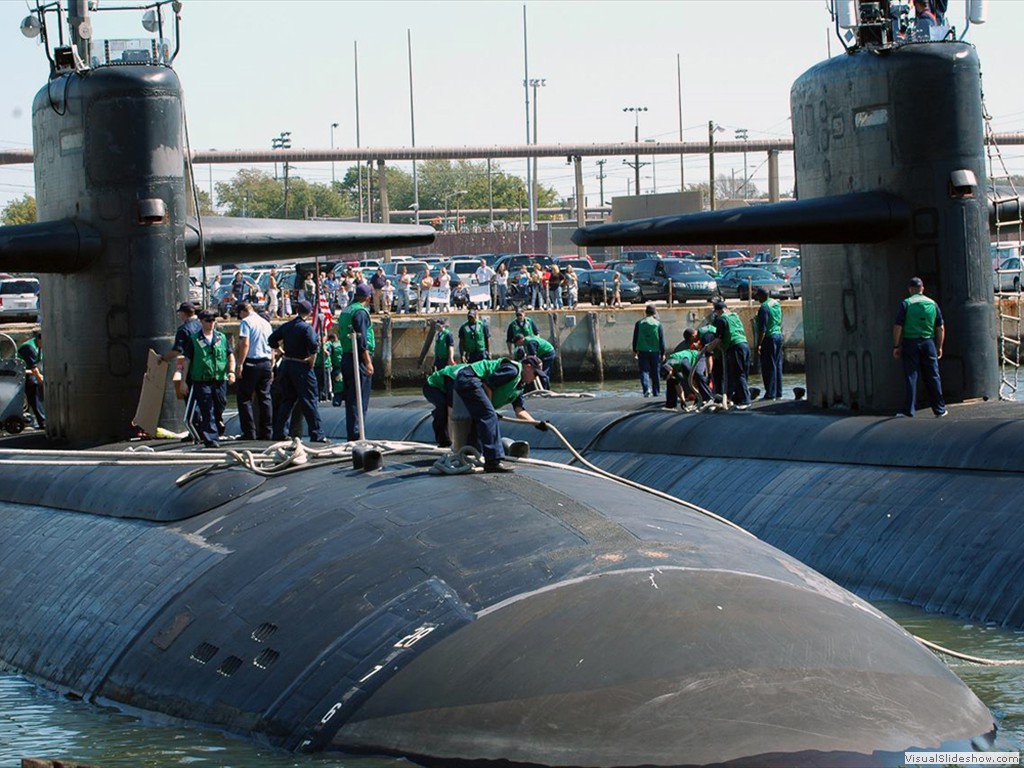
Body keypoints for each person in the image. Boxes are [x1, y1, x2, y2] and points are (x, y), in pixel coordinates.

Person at [453, 355, 543, 473]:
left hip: (475, 381)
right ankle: (492, 461)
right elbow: (488, 384)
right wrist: (489, 408)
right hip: (469, 377)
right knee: (489, 416)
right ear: (527, 367)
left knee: (482, 417)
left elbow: (519, 411)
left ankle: (471, 453)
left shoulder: (519, 386)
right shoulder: (512, 370)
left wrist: (536, 424)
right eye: (535, 374)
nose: (535, 378)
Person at [268, 299, 326, 443]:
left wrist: (282, 351)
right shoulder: (306, 328)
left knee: (287, 400)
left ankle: (280, 432)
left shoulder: (287, 326)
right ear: (310, 312)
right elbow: (313, 345)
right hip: (301, 366)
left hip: (287, 365)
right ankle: (317, 434)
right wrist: (312, 358)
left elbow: (272, 340)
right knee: (309, 400)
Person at [893, 276, 946, 418]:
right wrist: (939, 347)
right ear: (922, 289)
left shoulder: (906, 304)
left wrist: (896, 345)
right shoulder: (932, 304)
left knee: (911, 376)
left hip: (911, 342)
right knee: (933, 376)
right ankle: (940, 410)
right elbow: (940, 328)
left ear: (910, 289)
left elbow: (898, 326)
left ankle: (909, 410)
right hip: (929, 343)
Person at [184, 310, 236, 448]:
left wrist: (231, 372)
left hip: (220, 379)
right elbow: (187, 361)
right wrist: (183, 381)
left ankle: (215, 426)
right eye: (208, 320)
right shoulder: (194, 339)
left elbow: (230, 355)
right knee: (207, 408)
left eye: (213, 320)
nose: (211, 323)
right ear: (201, 321)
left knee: (220, 405)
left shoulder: (222, 338)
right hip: (202, 380)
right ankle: (211, 439)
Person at [336, 283, 375, 441]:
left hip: (346, 356)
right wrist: (368, 362)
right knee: (360, 398)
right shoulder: (360, 312)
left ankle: (352, 433)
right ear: (368, 298)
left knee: (351, 397)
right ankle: (358, 434)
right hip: (358, 358)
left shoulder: (346, 310)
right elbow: (362, 340)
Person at [233, 301, 273, 441]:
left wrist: (239, 364)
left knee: (244, 398)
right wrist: (272, 365)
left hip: (251, 362)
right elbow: (272, 345)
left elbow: (245, 343)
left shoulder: (246, 322)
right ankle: (266, 432)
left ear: (243, 311)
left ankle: (249, 433)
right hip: (266, 363)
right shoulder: (265, 323)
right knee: (265, 398)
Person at [704, 298, 752, 409]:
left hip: (735, 347)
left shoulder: (721, 319)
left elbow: (718, 339)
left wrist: (708, 349)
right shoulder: (735, 316)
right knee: (742, 374)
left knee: (737, 374)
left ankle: (745, 401)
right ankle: (739, 398)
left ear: (717, 311)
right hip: (745, 345)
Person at [662, 329, 713, 410]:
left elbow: (692, 378)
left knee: (697, 375)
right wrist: (683, 401)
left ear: (671, 370)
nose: (670, 376)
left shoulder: (680, 362)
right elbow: (677, 385)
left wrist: (697, 396)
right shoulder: (669, 368)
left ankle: (708, 398)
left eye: (670, 375)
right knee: (671, 382)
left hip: (698, 357)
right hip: (681, 365)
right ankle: (671, 405)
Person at [422, 362, 467, 448]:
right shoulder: (455, 381)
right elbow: (451, 413)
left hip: (445, 386)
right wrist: (453, 441)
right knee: (443, 407)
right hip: (431, 386)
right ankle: (443, 441)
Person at [754, 287, 784, 400]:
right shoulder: (775, 303)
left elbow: (763, 329)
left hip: (769, 338)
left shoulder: (764, 308)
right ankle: (778, 392)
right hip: (778, 335)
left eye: (758, 297)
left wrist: (759, 344)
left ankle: (770, 393)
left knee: (768, 366)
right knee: (777, 365)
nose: (757, 300)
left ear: (762, 296)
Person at [632, 303, 666, 398]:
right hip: (655, 351)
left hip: (642, 350)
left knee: (644, 371)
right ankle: (656, 392)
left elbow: (635, 338)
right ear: (654, 312)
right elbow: (661, 339)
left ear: (645, 312)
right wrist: (663, 352)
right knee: (655, 372)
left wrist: (635, 350)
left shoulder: (639, 323)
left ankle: (646, 390)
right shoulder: (658, 324)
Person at [17, 330, 44, 430]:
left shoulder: (39, 347)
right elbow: (34, 368)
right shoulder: (29, 347)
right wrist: (41, 379)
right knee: (34, 384)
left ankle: (37, 417)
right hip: (17, 374)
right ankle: (42, 419)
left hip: (25, 373)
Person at [328, 331, 345, 407]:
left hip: (337, 368)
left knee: (337, 386)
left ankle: (337, 401)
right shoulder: (343, 344)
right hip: (346, 366)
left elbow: (328, 356)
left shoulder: (331, 346)